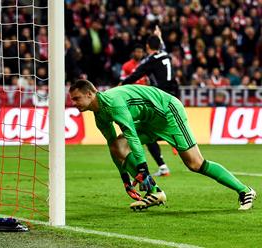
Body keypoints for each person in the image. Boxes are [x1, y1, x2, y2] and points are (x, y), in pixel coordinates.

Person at [69, 79, 256, 210]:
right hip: (149, 120)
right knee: (118, 146)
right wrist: (125, 180)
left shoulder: (113, 103)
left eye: (77, 98)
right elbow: (114, 148)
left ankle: (245, 191)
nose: (74, 103)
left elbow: (132, 135)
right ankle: (155, 192)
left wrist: (142, 168)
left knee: (195, 164)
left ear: (90, 93)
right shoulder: (99, 116)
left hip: (167, 112)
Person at [120, 26, 178, 177]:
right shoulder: (166, 55)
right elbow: (161, 47)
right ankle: (170, 146)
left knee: (146, 131)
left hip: (160, 100)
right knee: (150, 131)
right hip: (173, 96)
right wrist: (159, 36)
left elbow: (135, 75)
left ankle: (171, 141)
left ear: (147, 47)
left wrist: (120, 86)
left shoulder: (150, 61)